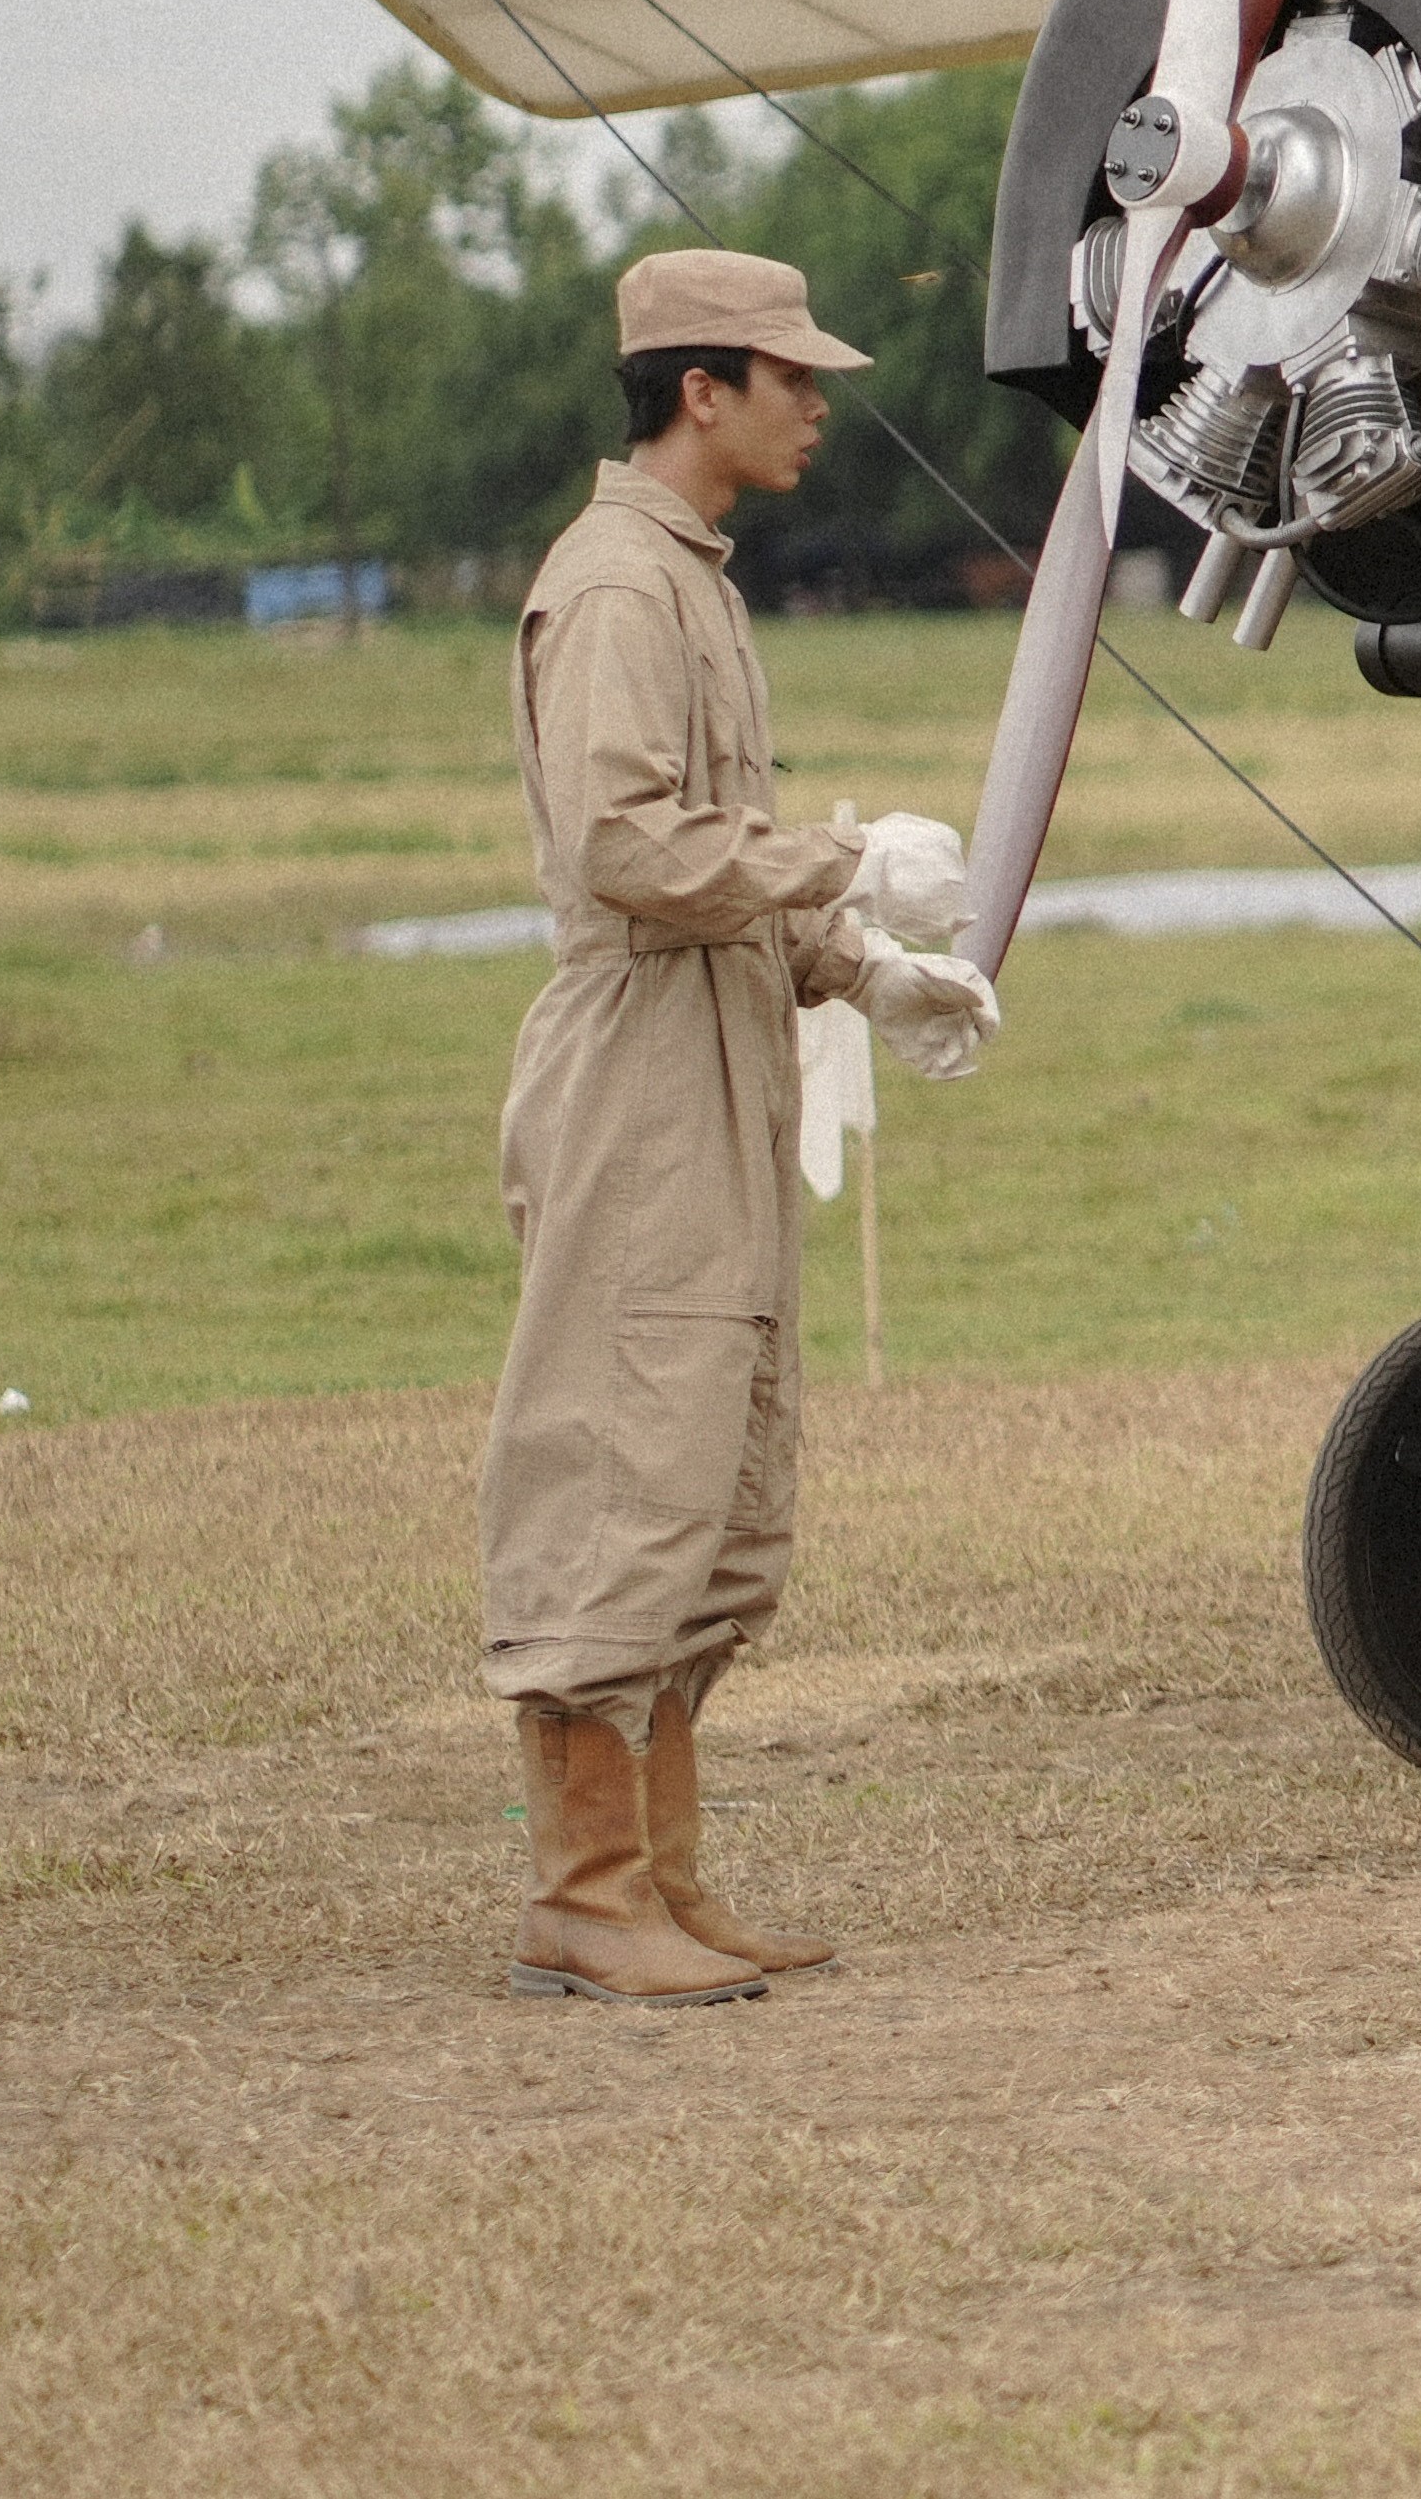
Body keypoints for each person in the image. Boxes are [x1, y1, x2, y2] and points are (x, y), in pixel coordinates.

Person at [481, 249, 991, 2003]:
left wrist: (861, 967)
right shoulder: (618, 588)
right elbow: (627, 846)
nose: (818, 405)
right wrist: (846, 862)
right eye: (790, 377)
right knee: (626, 1452)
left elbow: (711, 856)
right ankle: (584, 1885)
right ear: (702, 390)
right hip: (637, 1070)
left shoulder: (688, 574)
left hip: (717, 1049)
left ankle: (664, 1877)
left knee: (714, 1469)